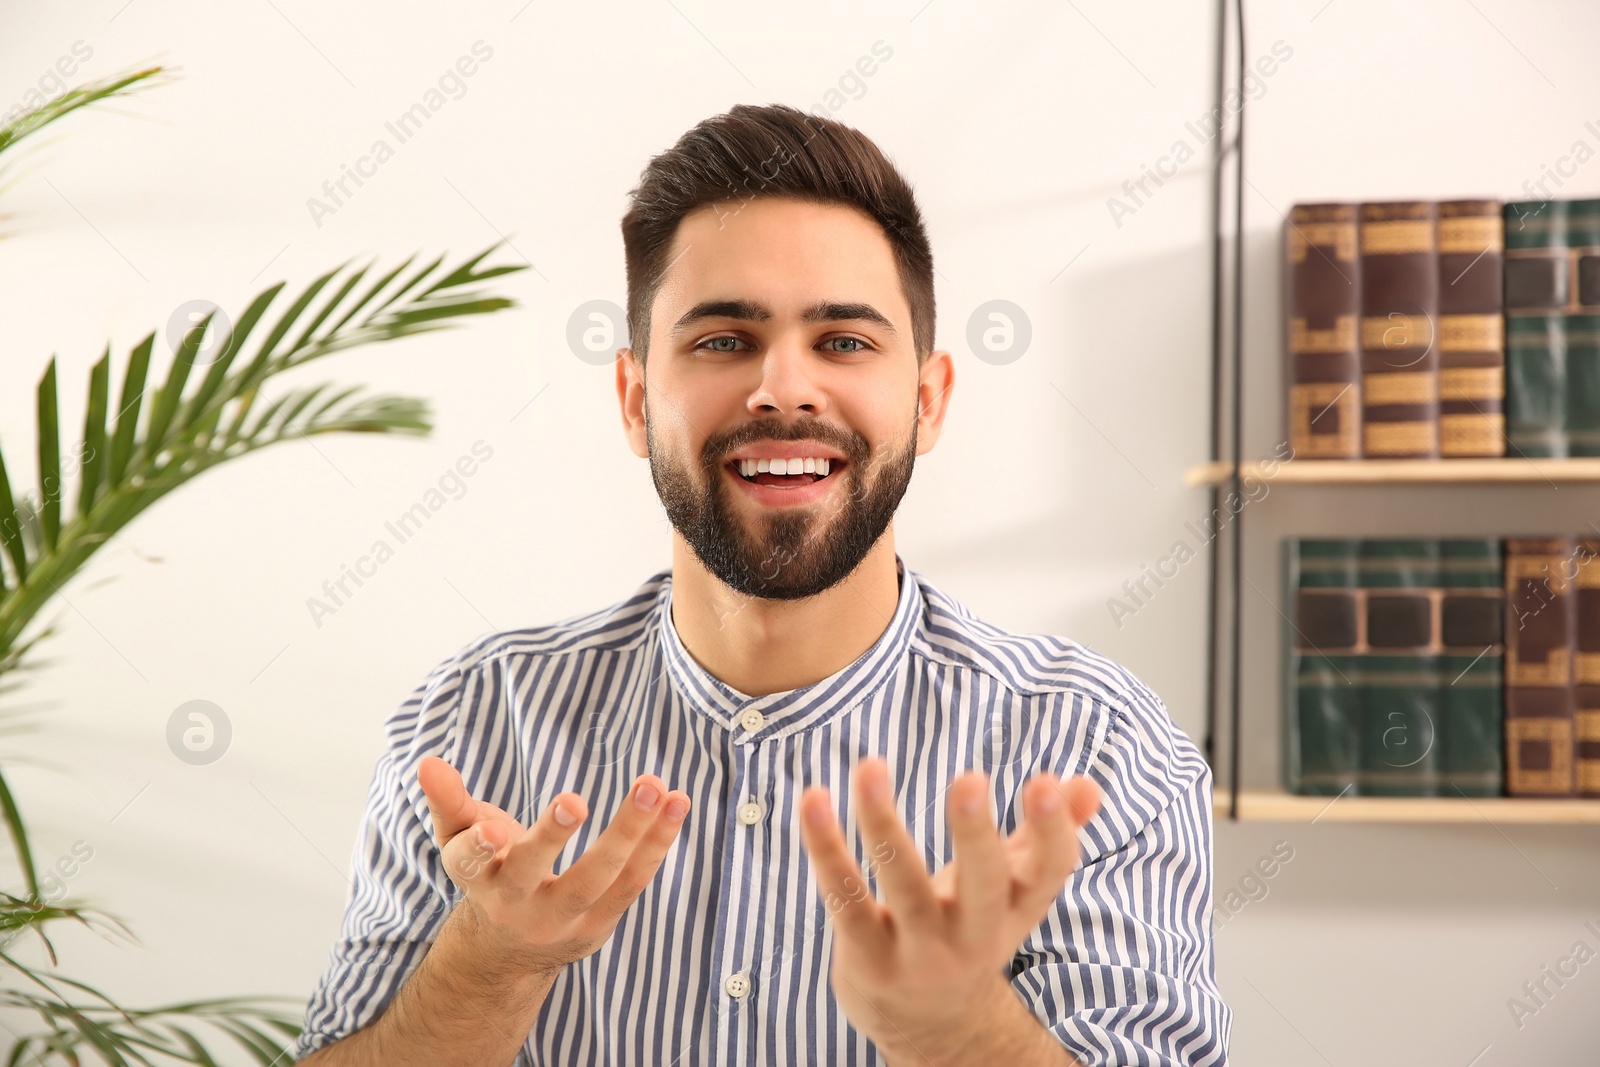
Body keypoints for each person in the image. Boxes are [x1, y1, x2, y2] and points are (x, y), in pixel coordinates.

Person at [294, 102, 1230, 1066]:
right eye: (722, 341)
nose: (783, 387)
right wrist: (491, 962)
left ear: (930, 398)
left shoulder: (1097, 749)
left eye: (845, 342)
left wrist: (957, 1031)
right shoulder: (473, 722)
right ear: (632, 398)